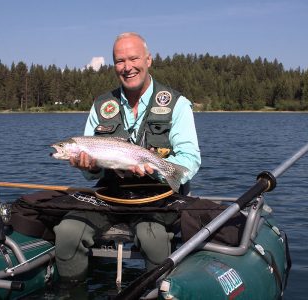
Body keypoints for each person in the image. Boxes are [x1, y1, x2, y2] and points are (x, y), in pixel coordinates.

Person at [53, 32, 201, 282]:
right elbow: (94, 171)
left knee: (152, 239)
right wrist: (88, 168)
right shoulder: (101, 105)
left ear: (148, 60)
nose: (127, 67)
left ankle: (156, 291)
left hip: (157, 196)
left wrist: (157, 170)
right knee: (67, 232)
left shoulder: (177, 104)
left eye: (133, 58)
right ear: (114, 66)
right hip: (110, 195)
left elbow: (190, 159)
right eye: (120, 61)